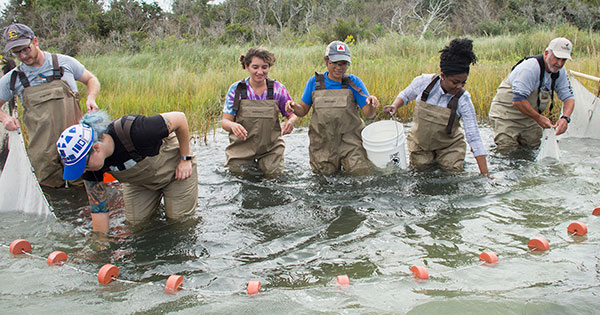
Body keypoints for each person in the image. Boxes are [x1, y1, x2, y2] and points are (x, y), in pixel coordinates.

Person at [56, 110, 198, 235]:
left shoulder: (136, 130)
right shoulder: (91, 167)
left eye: (84, 165)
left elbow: (180, 118)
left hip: (176, 171)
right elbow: (99, 210)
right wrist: (101, 246)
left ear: (97, 148)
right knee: (136, 226)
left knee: (178, 223)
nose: (84, 171)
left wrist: (185, 159)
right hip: (139, 183)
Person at [0, 23, 100, 187]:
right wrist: (4, 118)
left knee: (86, 185)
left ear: (35, 41)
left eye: (26, 49)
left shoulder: (64, 63)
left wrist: (91, 97)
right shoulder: (13, 78)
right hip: (43, 152)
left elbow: (91, 79)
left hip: (77, 145)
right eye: (17, 52)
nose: (23, 56)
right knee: (50, 192)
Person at [384, 38, 489, 176]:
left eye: (464, 82)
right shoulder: (423, 82)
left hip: (450, 147)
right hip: (421, 145)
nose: (460, 86)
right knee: (421, 173)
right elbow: (405, 95)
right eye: (455, 82)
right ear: (443, 76)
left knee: (451, 173)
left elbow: (473, 136)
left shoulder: (463, 99)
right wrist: (395, 105)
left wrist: (485, 174)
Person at [285, 41, 380, 175]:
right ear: (326, 61)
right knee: (324, 181)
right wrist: (293, 107)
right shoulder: (314, 82)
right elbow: (303, 111)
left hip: (351, 143)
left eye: (343, 63)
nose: (339, 68)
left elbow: (369, 114)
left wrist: (371, 104)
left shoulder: (354, 82)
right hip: (322, 144)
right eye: (335, 63)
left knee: (360, 174)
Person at [222, 47, 298, 176]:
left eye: (265, 67)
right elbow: (225, 122)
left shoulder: (278, 89)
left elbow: (292, 114)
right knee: (239, 177)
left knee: (274, 177)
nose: (260, 72)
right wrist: (233, 125)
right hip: (241, 149)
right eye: (255, 67)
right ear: (246, 67)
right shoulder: (237, 89)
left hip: (271, 149)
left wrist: (291, 121)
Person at [489, 37, 575, 150]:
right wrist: (539, 118)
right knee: (507, 149)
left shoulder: (560, 72)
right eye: (557, 58)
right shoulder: (529, 68)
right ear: (546, 53)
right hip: (506, 116)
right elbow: (518, 100)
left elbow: (569, 98)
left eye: (564, 60)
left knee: (533, 148)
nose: (559, 63)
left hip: (531, 118)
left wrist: (565, 118)